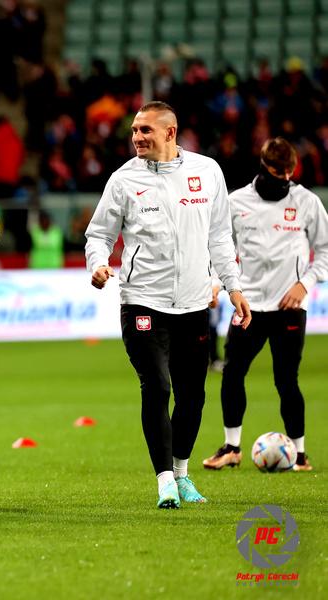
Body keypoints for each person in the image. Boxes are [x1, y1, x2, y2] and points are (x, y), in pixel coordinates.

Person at [85, 101, 252, 509]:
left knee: (193, 395)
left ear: (170, 132)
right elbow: (98, 235)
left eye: (145, 130)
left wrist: (233, 286)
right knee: (157, 387)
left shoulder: (207, 172)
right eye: (134, 130)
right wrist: (98, 264)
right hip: (142, 300)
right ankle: (164, 481)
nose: (137, 137)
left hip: (194, 303)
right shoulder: (123, 180)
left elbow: (220, 237)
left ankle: (181, 473)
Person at [202, 138, 328, 472]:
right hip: (249, 305)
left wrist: (305, 283)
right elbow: (219, 249)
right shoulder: (236, 202)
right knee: (232, 373)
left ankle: (300, 454)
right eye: (277, 172)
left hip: (289, 307)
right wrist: (215, 283)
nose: (283, 179)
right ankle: (231, 448)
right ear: (264, 166)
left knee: (286, 380)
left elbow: (326, 250)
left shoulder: (307, 202)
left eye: (289, 173)